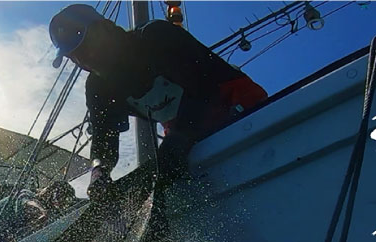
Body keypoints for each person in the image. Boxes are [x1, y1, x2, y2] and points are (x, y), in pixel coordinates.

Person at [49, 4, 268, 200]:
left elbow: (204, 90)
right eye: (73, 56)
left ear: (105, 27)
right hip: (194, 140)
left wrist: (175, 145)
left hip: (250, 116)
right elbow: (103, 139)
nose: (82, 59)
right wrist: (99, 174)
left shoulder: (155, 38)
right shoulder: (99, 88)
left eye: (84, 44)